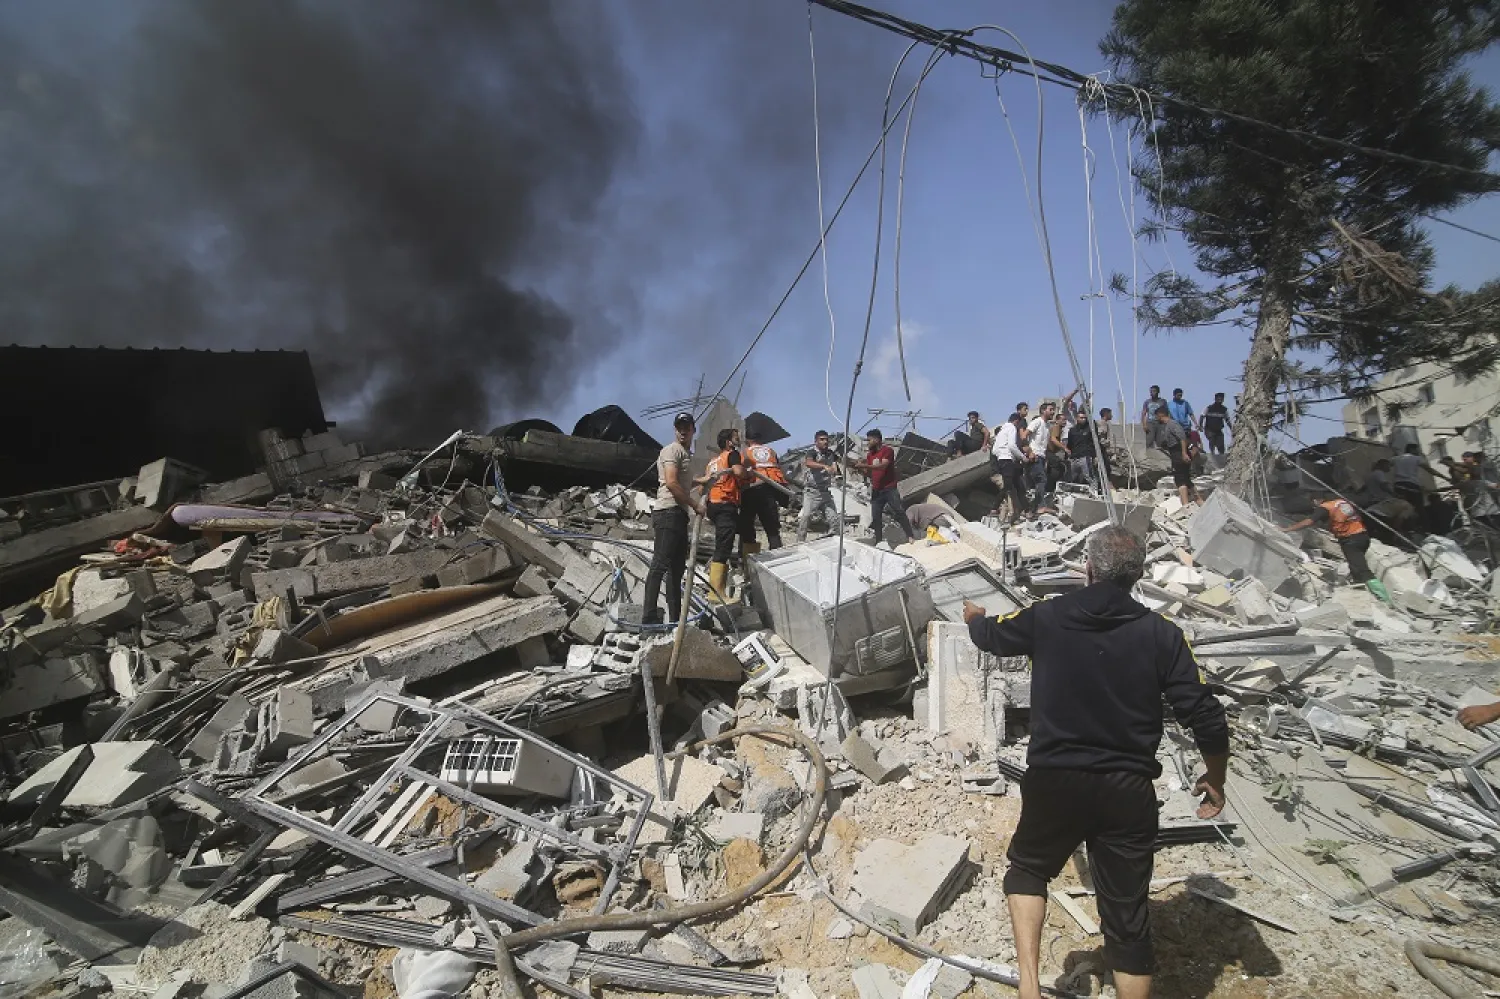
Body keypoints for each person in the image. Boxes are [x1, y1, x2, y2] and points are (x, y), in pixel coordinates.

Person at [962, 526, 1229, 999]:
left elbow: (992, 637)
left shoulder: (1048, 616)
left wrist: (974, 618)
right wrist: (1216, 777)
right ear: (1138, 575)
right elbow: (1205, 714)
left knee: (1027, 870)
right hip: (1127, 792)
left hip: (1054, 781)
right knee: (1127, 919)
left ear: (1087, 568)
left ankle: (1028, 986)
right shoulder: (1164, 636)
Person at [643, 412, 706, 626]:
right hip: (668, 512)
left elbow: (682, 478)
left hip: (678, 515)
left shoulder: (686, 454)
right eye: (679, 427)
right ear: (675, 429)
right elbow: (671, 482)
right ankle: (649, 619)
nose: (682, 430)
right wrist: (696, 505)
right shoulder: (672, 450)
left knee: (676, 570)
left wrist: (702, 480)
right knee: (660, 564)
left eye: (686, 427)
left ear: (692, 430)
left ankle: (675, 622)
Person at [697, 428, 748, 603]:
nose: (739, 441)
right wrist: (746, 473)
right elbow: (739, 473)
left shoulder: (712, 462)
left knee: (738, 534)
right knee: (724, 546)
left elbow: (700, 488)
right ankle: (716, 593)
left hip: (713, 505)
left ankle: (723, 585)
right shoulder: (732, 454)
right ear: (728, 443)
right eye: (736, 438)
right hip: (726, 504)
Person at [1282, 496, 1373, 584]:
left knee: (1362, 570)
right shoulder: (1341, 502)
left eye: (1313, 502)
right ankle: (1359, 584)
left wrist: (1287, 529)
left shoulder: (1324, 508)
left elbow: (1308, 522)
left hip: (1350, 540)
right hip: (1363, 536)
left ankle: (1380, 594)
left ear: (1316, 500)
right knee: (1355, 566)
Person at [856, 429, 916, 542]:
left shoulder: (887, 451)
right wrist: (861, 469)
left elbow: (883, 466)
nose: (867, 443)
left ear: (876, 439)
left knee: (899, 511)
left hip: (889, 489)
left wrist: (865, 466)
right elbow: (870, 473)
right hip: (876, 490)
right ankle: (878, 540)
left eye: (869, 440)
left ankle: (910, 536)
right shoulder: (870, 455)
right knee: (876, 517)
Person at [740, 431, 788, 554]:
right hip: (770, 490)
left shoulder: (745, 452)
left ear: (748, 440)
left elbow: (741, 472)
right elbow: (778, 469)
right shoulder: (771, 451)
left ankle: (747, 560)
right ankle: (778, 559)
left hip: (751, 490)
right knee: (772, 528)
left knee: (747, 527)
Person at [797, 430, 841, 542]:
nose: (825, 441)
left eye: (826, 439)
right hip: (812, 492)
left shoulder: (830, 454)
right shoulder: (812, 452)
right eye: (822, 439)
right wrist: (824, 466)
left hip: (825, 492)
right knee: (805, 517)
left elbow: (837, 464)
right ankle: (799, 543)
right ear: (816, 441)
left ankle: (834, 542)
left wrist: (835, 469)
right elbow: (809, 463)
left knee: (834, 519)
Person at [1149, 407, 1198, 506]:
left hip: (1179, 454)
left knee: (1180, 481)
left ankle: (1185, 505)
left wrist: (1184, 453)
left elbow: (1182, 438)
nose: (1156, 418)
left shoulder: (1172, 424)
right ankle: (1199, 501)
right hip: (1175, 453)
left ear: (1160, 415)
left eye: (1156, 416)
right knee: (1186, 480)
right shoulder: (1167, 426)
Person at [992, 414, 1029, 524]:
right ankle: (995, 507)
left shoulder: (1001, 431)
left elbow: (994, 450)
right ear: (1016, 421)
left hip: (1002, 460)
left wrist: (1001, 455)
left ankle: (1026, 509)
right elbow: (1012, 445)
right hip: (1008, 460)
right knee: (1009, 486)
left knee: (1016, 485)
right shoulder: (1012, 428)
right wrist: (1022, 457)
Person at [1027, 401, 1056, 513]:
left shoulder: (1047, 426)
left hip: (1042, 457)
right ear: (1043, 411)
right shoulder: (1037, 422)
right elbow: (1024, 435)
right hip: (1035, 456)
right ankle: (1040, 506)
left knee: (1039, 482)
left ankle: (1033, 508)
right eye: (1050, 409)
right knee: (1041, 479)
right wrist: (1030, 452)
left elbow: (1046, 444)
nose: (1053, 412)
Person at [1066, 409, 1098, 485]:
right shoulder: (1072, 430)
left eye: (1085, 418)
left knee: (1088, 476)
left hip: (1085, 456)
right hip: (1074, 457)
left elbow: (1095, 442)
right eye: (1081, 418)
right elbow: (1069, 444)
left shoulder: (1090, 429)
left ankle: (1095, 490)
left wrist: (1094, 456)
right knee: (1072, 477)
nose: (1083, 419)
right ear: (1077, 418)